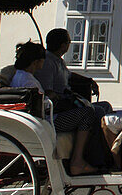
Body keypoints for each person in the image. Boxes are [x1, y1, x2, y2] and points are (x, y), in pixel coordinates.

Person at [11, 40, 102, 176]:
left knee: (85, 111)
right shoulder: (28, 80)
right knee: (87, 113)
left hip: (40, 119)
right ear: (36, 62)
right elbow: (42, 104)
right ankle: (77, 161)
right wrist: (53, 99)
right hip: (44, 122)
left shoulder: (21, 76)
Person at [39, 27, 113, 117]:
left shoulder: (59, 61)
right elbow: (48, 91)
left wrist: (89, 80)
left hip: (68, 101)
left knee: (106, 106)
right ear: (63, 45)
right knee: (98, 111)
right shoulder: (48, 62)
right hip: (58, 107)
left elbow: (69, 75)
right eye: (69, 42)